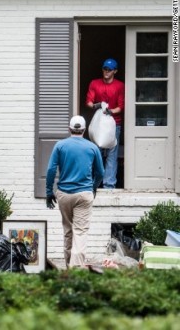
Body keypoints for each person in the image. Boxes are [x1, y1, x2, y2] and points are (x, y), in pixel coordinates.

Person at [46, 115, 104, 268]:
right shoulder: (92, 147)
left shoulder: (60, 146)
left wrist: (48, 192)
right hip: (84, 194)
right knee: (80, 232)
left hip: (64, 194)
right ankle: (75, 271)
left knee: (68, 231)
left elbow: (51, 170)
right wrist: (93, 187)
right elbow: (101, 173)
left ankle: (68, 267)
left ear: (69, 129)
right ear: (84, 130)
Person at [85, 58, 125, 189]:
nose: (106, 72)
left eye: (109, 69)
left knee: (112, 156)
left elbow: (120, 107)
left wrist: (110, 111)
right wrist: (96, 106)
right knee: (97, 154)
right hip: (99, 124)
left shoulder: (119, 86)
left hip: (114, 124)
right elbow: (89, 102)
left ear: (115, 71)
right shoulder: (95, 83)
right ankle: (94, 184)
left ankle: (109, 185)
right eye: (105, 69)